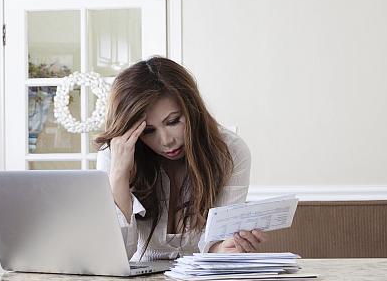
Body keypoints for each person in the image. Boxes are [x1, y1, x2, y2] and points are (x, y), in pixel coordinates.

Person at [95, 57, 267, 261]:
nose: (166, 141)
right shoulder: (115, 154)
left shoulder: (230, 151)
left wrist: (226, 249)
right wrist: (119, 175)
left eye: (173, 121)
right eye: (148, 131)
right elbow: (115, 257)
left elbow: (217, 245)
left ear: (193, 111)